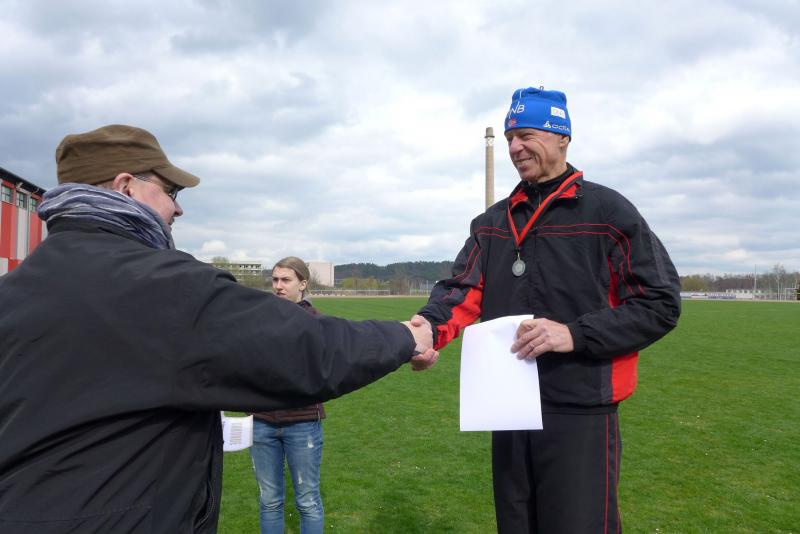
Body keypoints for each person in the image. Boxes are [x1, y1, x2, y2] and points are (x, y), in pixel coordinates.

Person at [0, 124, 438, 534]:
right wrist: (406, 336)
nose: (178, 207)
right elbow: (305, 350)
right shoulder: (158, 284)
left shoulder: (15, 290)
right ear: (125, 186)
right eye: (171, 191)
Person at [413, 87, 681, 533]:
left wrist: (574, 334)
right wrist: (427, 332)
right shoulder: (492, 222)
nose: (515, 147)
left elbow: (660, 303)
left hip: (580, 406)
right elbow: (461, 292)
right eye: (509, 138)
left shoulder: (609, 212)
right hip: (506, 405)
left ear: (562, 137)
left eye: (527, 135)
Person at [250, 257, 327, 534]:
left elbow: (324, 371)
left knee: (307, 501)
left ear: (303, 284)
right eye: (275, 280)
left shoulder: (317, 322)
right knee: (269, 500)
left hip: (302, 423)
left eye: (286, 280)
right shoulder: (259, 318)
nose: (278, 286)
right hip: (261, 423)